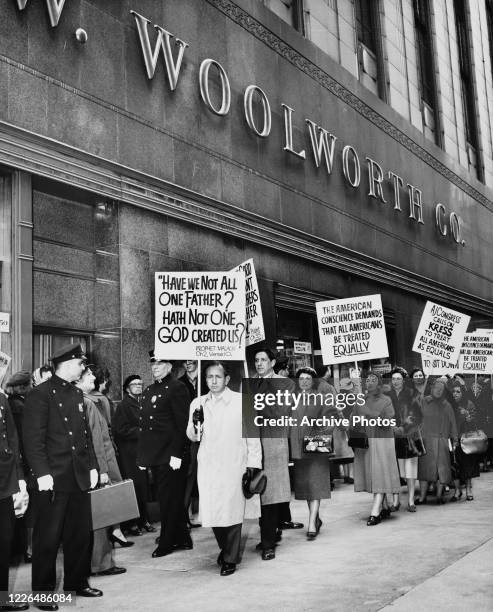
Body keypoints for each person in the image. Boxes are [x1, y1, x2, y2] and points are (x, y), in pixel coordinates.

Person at [23, 343, 103, 609]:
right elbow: (32, 440)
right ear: (68, 365)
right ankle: (43, 593)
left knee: (80, 535)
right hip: (53, 478)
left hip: (77, 475)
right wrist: (41, 473)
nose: (83, 368)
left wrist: (92, 466)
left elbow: (84, 436)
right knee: (48, 538)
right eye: (81, 364)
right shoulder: (40, 395)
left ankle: (77, 582)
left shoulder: (75, 394)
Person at [186, 362, 262, 576]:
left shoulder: (242, 402)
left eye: (218, 377)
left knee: (232, 512)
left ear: (227, 379)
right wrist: (195, 424)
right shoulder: (197, 403)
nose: (213, 381)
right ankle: (226, 548)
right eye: (209, 377)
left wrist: (253, 465)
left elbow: (253, 436)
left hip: (234, 464)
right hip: (209, 465)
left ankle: (230, 557)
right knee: (213, 513)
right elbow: (193, 437)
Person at [137, 351, 191, 558]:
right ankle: (183, 538)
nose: (155, 367)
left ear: (170, 366)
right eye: (153, 363)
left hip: (171, 454)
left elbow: (181, 423)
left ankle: (167, 542)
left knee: (168, 500)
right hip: (156, 454)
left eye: (160, 363)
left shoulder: (177, 388)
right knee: (169, 498)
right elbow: (147, 426)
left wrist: (177, 453)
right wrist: (143, 456)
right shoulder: (150, 389)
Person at [76, 364, 127, 577]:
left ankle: (97, 562)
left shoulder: (84, 401)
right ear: (76, 378)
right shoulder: (86, 403)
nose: (93, 378)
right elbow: (96, 441)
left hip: (95, 466)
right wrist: (103, 470)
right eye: (87, 374)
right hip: (100, 466)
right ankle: (101, 564)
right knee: (100, 518)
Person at [253, 348, 300, 561]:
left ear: (272, 362)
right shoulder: (252, 383)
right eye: (256, 360)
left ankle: (268, 543)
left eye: (263, 360)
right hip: (253, 443)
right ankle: (269, 534)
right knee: (258, 493)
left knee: (270, 494)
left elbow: (280, 412)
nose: (259, 363)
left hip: (273, 444)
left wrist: (254, 407)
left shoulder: (286, 384)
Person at [289, 367, 333, 540]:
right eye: (301, 378)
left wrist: (323, 430)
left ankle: (311, 524)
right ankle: (315, 517)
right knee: (308, 486)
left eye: (308, 378)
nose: (305, 381)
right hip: (299, 449)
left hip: (315, 447)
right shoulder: (292, 399)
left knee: (316, 484)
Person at [352, 372, 401, 526]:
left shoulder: (386, 400)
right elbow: (354, 419)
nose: (370, 382)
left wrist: (369, 413)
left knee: (379, 473)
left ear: (379, 383)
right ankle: (384, 506)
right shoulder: (362, 400)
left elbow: (387, 421)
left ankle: (375, 511)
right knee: (374, 474)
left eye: (374, 380)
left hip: (382, 442)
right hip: (367, 442)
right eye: (368, 380)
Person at [113, 375, 155, 535]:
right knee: (134, 487)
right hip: (129, 453)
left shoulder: (141, 402)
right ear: (126, 388)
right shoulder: (124, 405)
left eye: (140, 383)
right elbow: (119, 430)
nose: (138, 386)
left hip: (141, 451)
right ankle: (132, 524)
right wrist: (140, 432)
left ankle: (144, 520)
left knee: (143, 486)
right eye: (134, 384)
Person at [0, 387, 29, 612]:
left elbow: (12, 438)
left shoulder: (1, 398)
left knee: (4, 541)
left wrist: (19, 478)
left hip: (5, 482)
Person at [416, 378, 458, 505]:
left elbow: (453, 424)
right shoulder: (423, 401)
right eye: (436, 388)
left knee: (442, 471)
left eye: (441, 389)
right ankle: (422, 497)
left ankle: (439, 496)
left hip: (442, 442)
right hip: (426, 442)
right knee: (424, 471)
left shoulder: (447, 405)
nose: (438, 391)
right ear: (431, 389)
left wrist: (455, 439)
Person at [386, 367, 422, 513]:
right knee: (396, 471)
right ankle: (396, 500)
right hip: (393, 435)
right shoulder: (387, 395)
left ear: (404, 380)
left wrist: (405, 426)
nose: (395, 381)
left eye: (398, 379)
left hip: (410, 436)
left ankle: (411, 500)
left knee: (411, 471)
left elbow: (418, 415)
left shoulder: (413, 394)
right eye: (393, 379)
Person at [5, 371, 32, 562]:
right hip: (22, 462)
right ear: (23, 387)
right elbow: (22, 437)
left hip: (18, 461)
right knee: (27, 510)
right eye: (30, 384)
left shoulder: (12, 402)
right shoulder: (19, 406)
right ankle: (28, 548)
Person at [450, 384, 480, 501]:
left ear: (463, 393)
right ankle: (457, 490)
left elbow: (476, 420)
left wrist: (467, 415)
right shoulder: (450, 405)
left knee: (468, 465)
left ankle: (468, 489)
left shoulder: (469, 404)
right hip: (453, 439)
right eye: (453, 392)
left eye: (458, 392)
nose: (455, 394)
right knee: (454, 464)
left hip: (466, 439)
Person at [180, 360, 201, 528]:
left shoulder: (207, 381)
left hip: (209, 436)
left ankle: (202, 511)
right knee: (189, 474)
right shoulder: (179, 384)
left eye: (191, 361)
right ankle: (184, 514)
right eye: (185, 361)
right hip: (189, 436)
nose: (188, 364)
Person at [332, 377, 354, 484]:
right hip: (344, 426)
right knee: (347, 453)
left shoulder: (338, 396)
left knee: (339, 454)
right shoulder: (351, 397)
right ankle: (348, 475)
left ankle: (343, 475)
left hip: (335, 428)